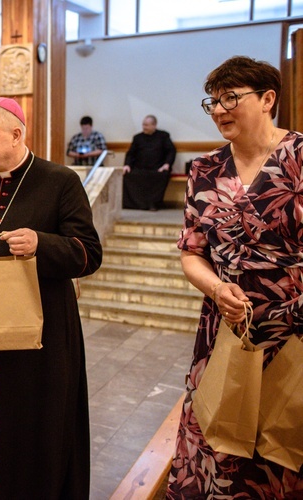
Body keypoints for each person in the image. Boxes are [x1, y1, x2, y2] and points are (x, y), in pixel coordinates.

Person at [0, 98, 102, 498]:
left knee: (37, 427)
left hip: (43, 337)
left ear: (16, 134)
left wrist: (41, 244)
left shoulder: (60, 180)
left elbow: (89, 254)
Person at [168, 56, 303, 498]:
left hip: (294, 328)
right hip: (226, 328)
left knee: (284, 440)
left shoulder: (299, 159)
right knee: (219, 434)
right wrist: (216, 287)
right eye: (214, 101)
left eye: (231, 98)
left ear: (268, 100)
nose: (220, 109)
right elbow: (191, 253)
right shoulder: (205, 169)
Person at [122, 114, 176, 210]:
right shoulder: (137, 137)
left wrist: (166, 164)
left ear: (154, 125)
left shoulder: (163, 136)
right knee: (128, 175)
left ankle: (153, 204)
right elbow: (130, 153)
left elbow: (171, 151)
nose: (144, 127)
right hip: (140, 167)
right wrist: (127, 165)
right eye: (143, 125)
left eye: (146, 125)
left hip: (158, 168)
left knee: (161, 175)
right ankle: (133, 204)